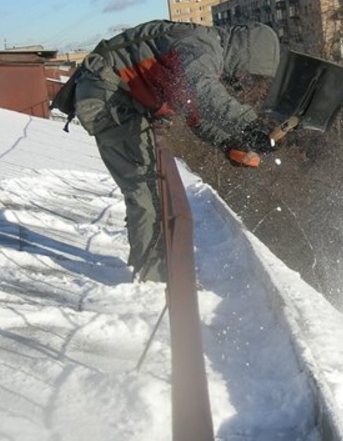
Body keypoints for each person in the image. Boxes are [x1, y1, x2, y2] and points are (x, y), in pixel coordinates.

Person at [69, 19, 281, 283]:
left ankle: (154, 270)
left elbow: (193, 111)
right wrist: (249, 125)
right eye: (246, 72)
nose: (242, 79)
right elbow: (203, 93)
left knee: (152, 187)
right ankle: (153, 279)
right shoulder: (200, 47)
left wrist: (228, 144)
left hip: (119, 97)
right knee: (146, 189)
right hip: (108, 97)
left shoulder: (202, 51)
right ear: (244, 53)